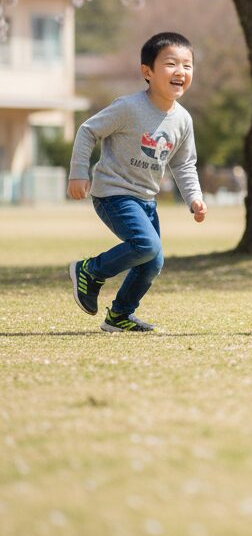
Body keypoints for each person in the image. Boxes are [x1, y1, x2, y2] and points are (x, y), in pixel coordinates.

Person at [67, 31, 207, 332]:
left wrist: (194, 197)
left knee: (152, 261)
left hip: (146, 199)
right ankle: (90, 270)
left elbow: (184, 163)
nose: (180, 71)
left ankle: (119, 315)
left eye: (188, 65)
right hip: (114, 194)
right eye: (171, 63)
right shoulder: (129, 107)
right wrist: (79, 172)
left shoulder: (183, 120)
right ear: (147, 71)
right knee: (146, 244)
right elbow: (88, 130)